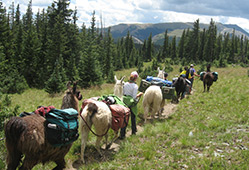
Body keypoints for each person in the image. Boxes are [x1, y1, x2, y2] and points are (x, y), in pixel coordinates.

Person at [119, 71, 143, 139]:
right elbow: (134, 97)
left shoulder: (125, 84)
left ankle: (122, 134)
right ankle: (133, 131)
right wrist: (139, 95)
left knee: (124, 118)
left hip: (124, 102)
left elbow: (123, 93)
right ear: (135, 79)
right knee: (133, 117)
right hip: (131, 103)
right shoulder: (135, 86)